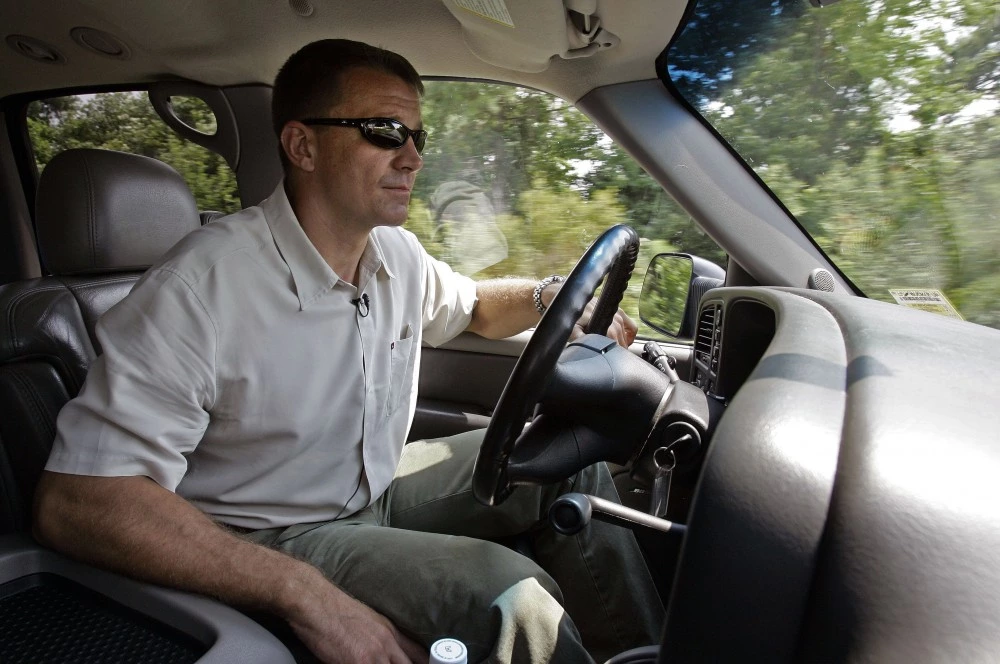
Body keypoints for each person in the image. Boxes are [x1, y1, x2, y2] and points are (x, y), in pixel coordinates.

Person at [34, 39, 664, 664]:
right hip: (271, 532)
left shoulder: (396, 254)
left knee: (570, 456)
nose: (413, 158)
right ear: (302, 145)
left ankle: (642, 651)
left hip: (377, 489)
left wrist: (550, 294)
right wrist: (299, 591)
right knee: (511, 597)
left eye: (419, 136)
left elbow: (473, 306)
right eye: (386, 131)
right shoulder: (200, 290)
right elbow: (81, 500)